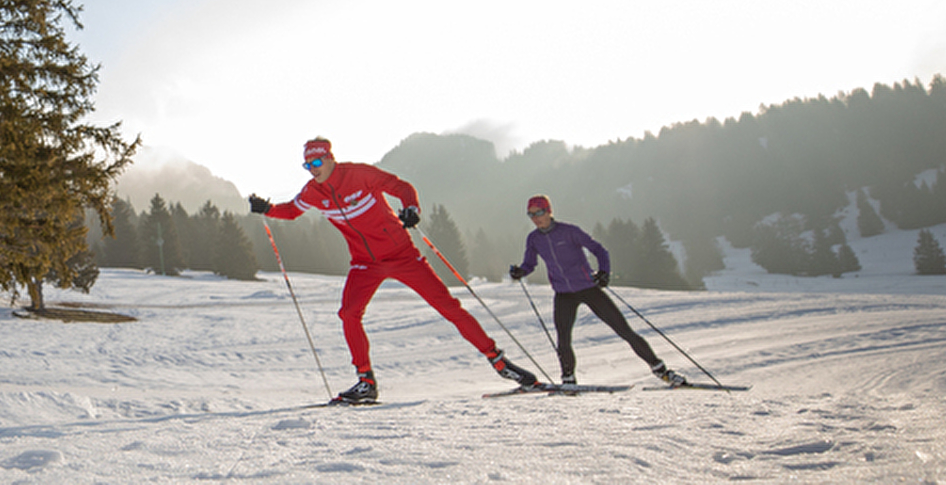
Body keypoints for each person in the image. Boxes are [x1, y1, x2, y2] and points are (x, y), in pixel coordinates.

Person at [249, 138, 537, 403]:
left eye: (316, 163)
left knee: (448, 306)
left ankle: (499, 361)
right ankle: (365, 381)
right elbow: (290, 210)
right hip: (365, 264)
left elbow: (401, 187)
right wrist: (267, 208)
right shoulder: (314, 192)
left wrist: (411, 208)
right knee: (349, 314)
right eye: (307, 165)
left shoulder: (360, 174)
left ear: (330, 158)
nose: (313, 170)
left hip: (402, 256)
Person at [509, 194, 686, 387]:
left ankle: (662, 371)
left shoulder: (569, 231)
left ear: (549, 211)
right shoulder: (534, 239)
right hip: (563, 294)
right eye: (531, 215)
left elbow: (600, 250)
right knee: (563, 340)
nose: (536, 218)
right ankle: (568, 379)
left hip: (588, 288)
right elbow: (530, 263)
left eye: (539, 212)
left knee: (624, 331)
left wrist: (604, 272)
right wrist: (520, 271)